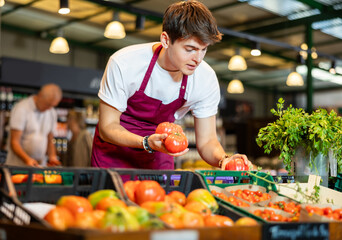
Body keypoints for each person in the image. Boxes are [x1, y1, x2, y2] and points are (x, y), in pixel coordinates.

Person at [91, 0, 250, 170]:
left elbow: (207, 141)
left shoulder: (206, 78)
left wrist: (224, 159)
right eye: (190, 49)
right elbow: (107, 127)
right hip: (113, 154)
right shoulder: (125, 63)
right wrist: (146, 142)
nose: (198, 59)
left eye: (204, 49)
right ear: (166, 40)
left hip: (160, 152)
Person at [6, 84, 62, 167]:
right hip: (17, 166)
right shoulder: (22, 108)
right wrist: (27, 159)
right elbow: (14, 142)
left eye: (52, 106)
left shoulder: (52, 112)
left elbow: (50, 139)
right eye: (47, 104)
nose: (49, 108)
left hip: (39, 166)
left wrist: (52, 157)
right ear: (40, 96)